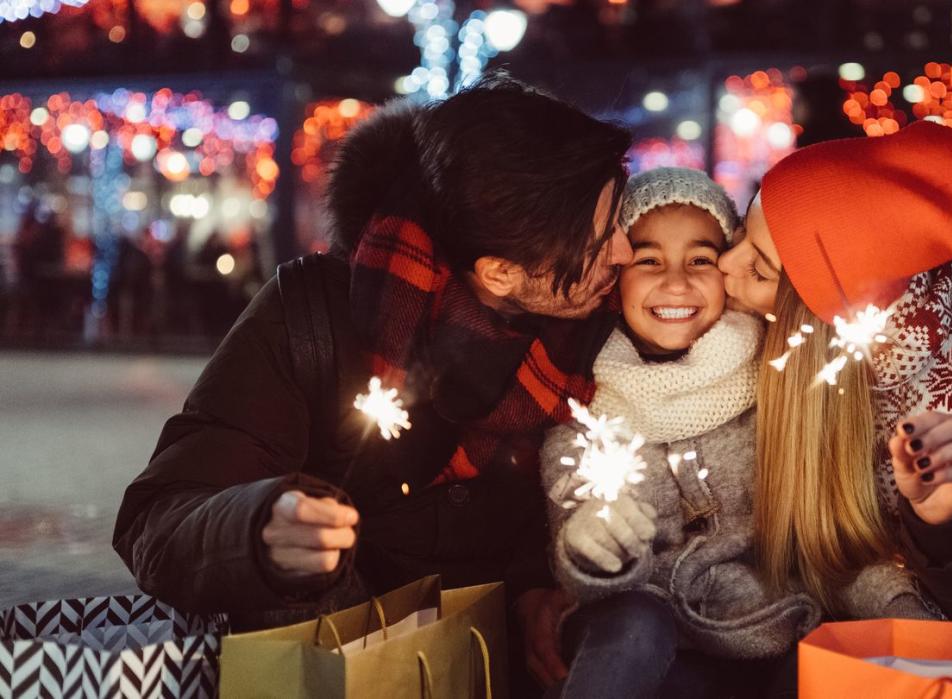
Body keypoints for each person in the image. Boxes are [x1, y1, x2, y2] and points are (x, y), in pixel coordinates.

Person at [112, 75, 633, 694]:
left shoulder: (606, 332)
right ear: (499, 273)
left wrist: (535, 591)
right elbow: (156, 520)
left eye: (619, 221)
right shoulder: (311, 316)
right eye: (600, 240)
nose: (625, 251)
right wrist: (260, 530)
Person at [540, 168, 931, 699]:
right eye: (648, 259)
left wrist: (898, 609)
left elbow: (833, 551)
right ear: (616, 278)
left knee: (823, 662)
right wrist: (592, 547)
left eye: (700, 259)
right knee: (635, 621)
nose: (675, 282)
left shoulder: (782, 395)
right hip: (652, 658)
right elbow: (584, 570)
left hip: (769, 648)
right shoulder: (588, 422)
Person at [717, 122, 952, 632]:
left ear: (815, 322)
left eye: (761, 270)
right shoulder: (726, 344)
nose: (726, 263)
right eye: (742, 233)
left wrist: (945, 522)